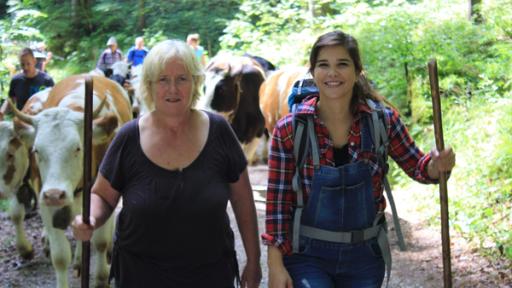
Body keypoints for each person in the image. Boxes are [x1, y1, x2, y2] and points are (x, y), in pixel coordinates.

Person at [262, 30, 456, 288]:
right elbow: (277, 204)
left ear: (357, 71)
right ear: (313, 72)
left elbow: (419, 168)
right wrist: (275, 266)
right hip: (306, 255)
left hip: (365, 256)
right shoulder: (291, 129)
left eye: (342, 64)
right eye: (324, 65)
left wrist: (438, 165)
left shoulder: (382, 122)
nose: (332, 73)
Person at [72, 39, 262, 288]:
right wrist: (91, 219)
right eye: (163, 79)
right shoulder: (128, 137)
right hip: (139, 275)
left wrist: (254, 260)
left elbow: (242, 200)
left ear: (195, 82)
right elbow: (103, 196)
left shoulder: (219, 130)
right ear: (149, 85)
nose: (173, 88)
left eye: (182, 78)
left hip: (211, 274)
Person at [0, 47, 54, 120]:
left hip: (41, 121)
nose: (25, 67)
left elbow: (53, 102)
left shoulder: (47, 80)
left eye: (28, 64)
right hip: (22, 121)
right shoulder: (16, 80)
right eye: (22, 64)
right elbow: (11, 99)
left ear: (34, 61)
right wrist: (2, 112)